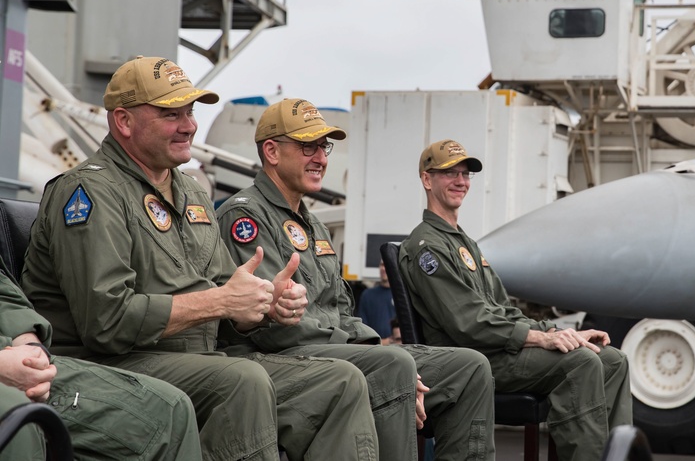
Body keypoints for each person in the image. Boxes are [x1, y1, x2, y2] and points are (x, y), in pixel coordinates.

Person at [21, 57, 378, 461]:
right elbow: (107, 323)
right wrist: (223, 302)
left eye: (190, 112)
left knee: (341, 382)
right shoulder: (89, 191)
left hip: (195, 360)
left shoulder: (192, 192)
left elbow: (230, 298)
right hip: (108, 366)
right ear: (123, 121)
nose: (189, 125)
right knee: (241, 381)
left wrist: (266, 304)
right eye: (171, 114)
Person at [216, 99, 495, 461]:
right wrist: (372, 350)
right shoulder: (245, 216)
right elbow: (278, 327)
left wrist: (370, 345)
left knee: (470, 368)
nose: (321, 158)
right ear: (271, 151)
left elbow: (341, 309)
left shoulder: (313, 224)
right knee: (395, 367)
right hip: (276, 355)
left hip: (332, 349)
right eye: (307, 147)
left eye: (323, 147)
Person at [398, 139, 632, 461]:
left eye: (465, 174)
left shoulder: (465, 243)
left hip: (499, 348)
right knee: (579, 362)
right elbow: (467, 323)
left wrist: (555, 332)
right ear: (427, 179)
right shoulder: (427, 247)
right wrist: (541, 340)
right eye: (449, 173)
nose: (461, 182)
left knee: (613, 360)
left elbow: (503, 309)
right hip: (474, 357)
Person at [0, 266, 203, 461]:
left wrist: (32, 350)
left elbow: (4, 294)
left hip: (24, 357)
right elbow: (107, 322)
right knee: (20, 420)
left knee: (169, 409)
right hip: (102, 351)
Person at [358, 261, 396, 344]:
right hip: (376, 348)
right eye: (381, 265)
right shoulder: (367, 295)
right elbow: (363, 329)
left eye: (386, 265)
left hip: (401, 349)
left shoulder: (402, 295)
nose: (383, 268)